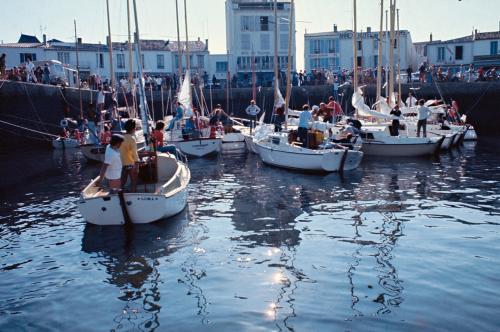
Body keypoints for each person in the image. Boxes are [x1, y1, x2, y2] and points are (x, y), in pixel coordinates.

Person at [120, 119, 140, 192]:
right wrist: (137, 164)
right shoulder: (132, 139)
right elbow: (135, 154)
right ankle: (134, 198)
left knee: (122, 183)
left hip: (123, 164)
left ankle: (119, 197)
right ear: (133, 128)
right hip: (131, 164)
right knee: (134, 183)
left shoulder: (121, 138)